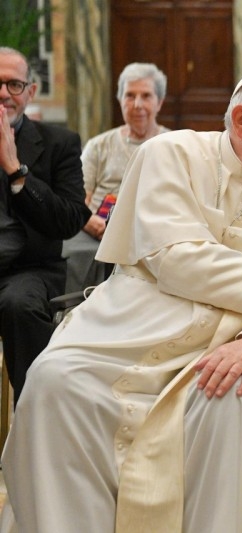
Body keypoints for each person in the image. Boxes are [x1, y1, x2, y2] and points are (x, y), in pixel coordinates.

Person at [0, 66, 242, 533]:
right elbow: (174, 259)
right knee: (53, 382)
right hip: (131, 328)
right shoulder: (168, 154)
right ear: (240, 120)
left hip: (225, 346)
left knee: (225, 402)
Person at [0, 47, 90, 403]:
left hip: (30, 269)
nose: (4, 93)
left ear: (31, 92)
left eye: (14, 84)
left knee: (19, 305)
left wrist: (15, 170)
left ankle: (38, 415)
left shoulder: (59, 144)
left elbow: (69, 220)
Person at [61, 62, 170, 292]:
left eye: (146, 96)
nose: (137, 104)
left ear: (159, 102)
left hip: (150, 232)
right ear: (120, 101)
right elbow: (79, 198)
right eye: (129, 96)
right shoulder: (98, 146)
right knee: (69, 253)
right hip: (96, 230)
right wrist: (91, 223)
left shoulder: (174, 145)